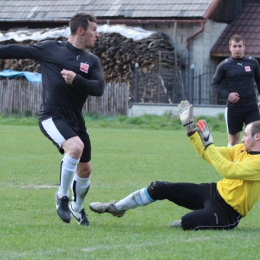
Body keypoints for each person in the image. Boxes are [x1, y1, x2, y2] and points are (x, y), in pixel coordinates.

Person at [0, 12, 105, 226]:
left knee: (85, 169)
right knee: (75, 148)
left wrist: (76, 80)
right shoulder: (51, 49)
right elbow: (16, 50)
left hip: (76, 120)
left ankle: (77, 207)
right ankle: (62, 196)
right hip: (51, 116)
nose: (98, 34)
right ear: (80, 30)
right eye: (94, 29)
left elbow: (99, 89)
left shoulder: (91, 61)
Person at [89, 100, 260, 230]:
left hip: (229, 212)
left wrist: (209, 144)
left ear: (257, 137)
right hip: (213, 192)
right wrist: (189, 127)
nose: (242, 138)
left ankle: (196, 219)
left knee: (187, 222)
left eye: (245, 135)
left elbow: (228, 170)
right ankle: (116, 207)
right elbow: (207, 154)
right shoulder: (240, 149)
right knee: (160, 187)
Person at [211, 34, 260, 146]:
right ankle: (231, 163)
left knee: (256, 138)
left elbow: (259, 82)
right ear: (230, 47)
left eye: (239, 46)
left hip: (251, 107)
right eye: (235, 46)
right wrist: (228, 95)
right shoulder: (224, 65)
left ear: (244, 47)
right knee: (233, 140)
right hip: (234, 108)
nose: (237, 49)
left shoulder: (253, 62)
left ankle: (253, 162)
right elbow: (215, 84)